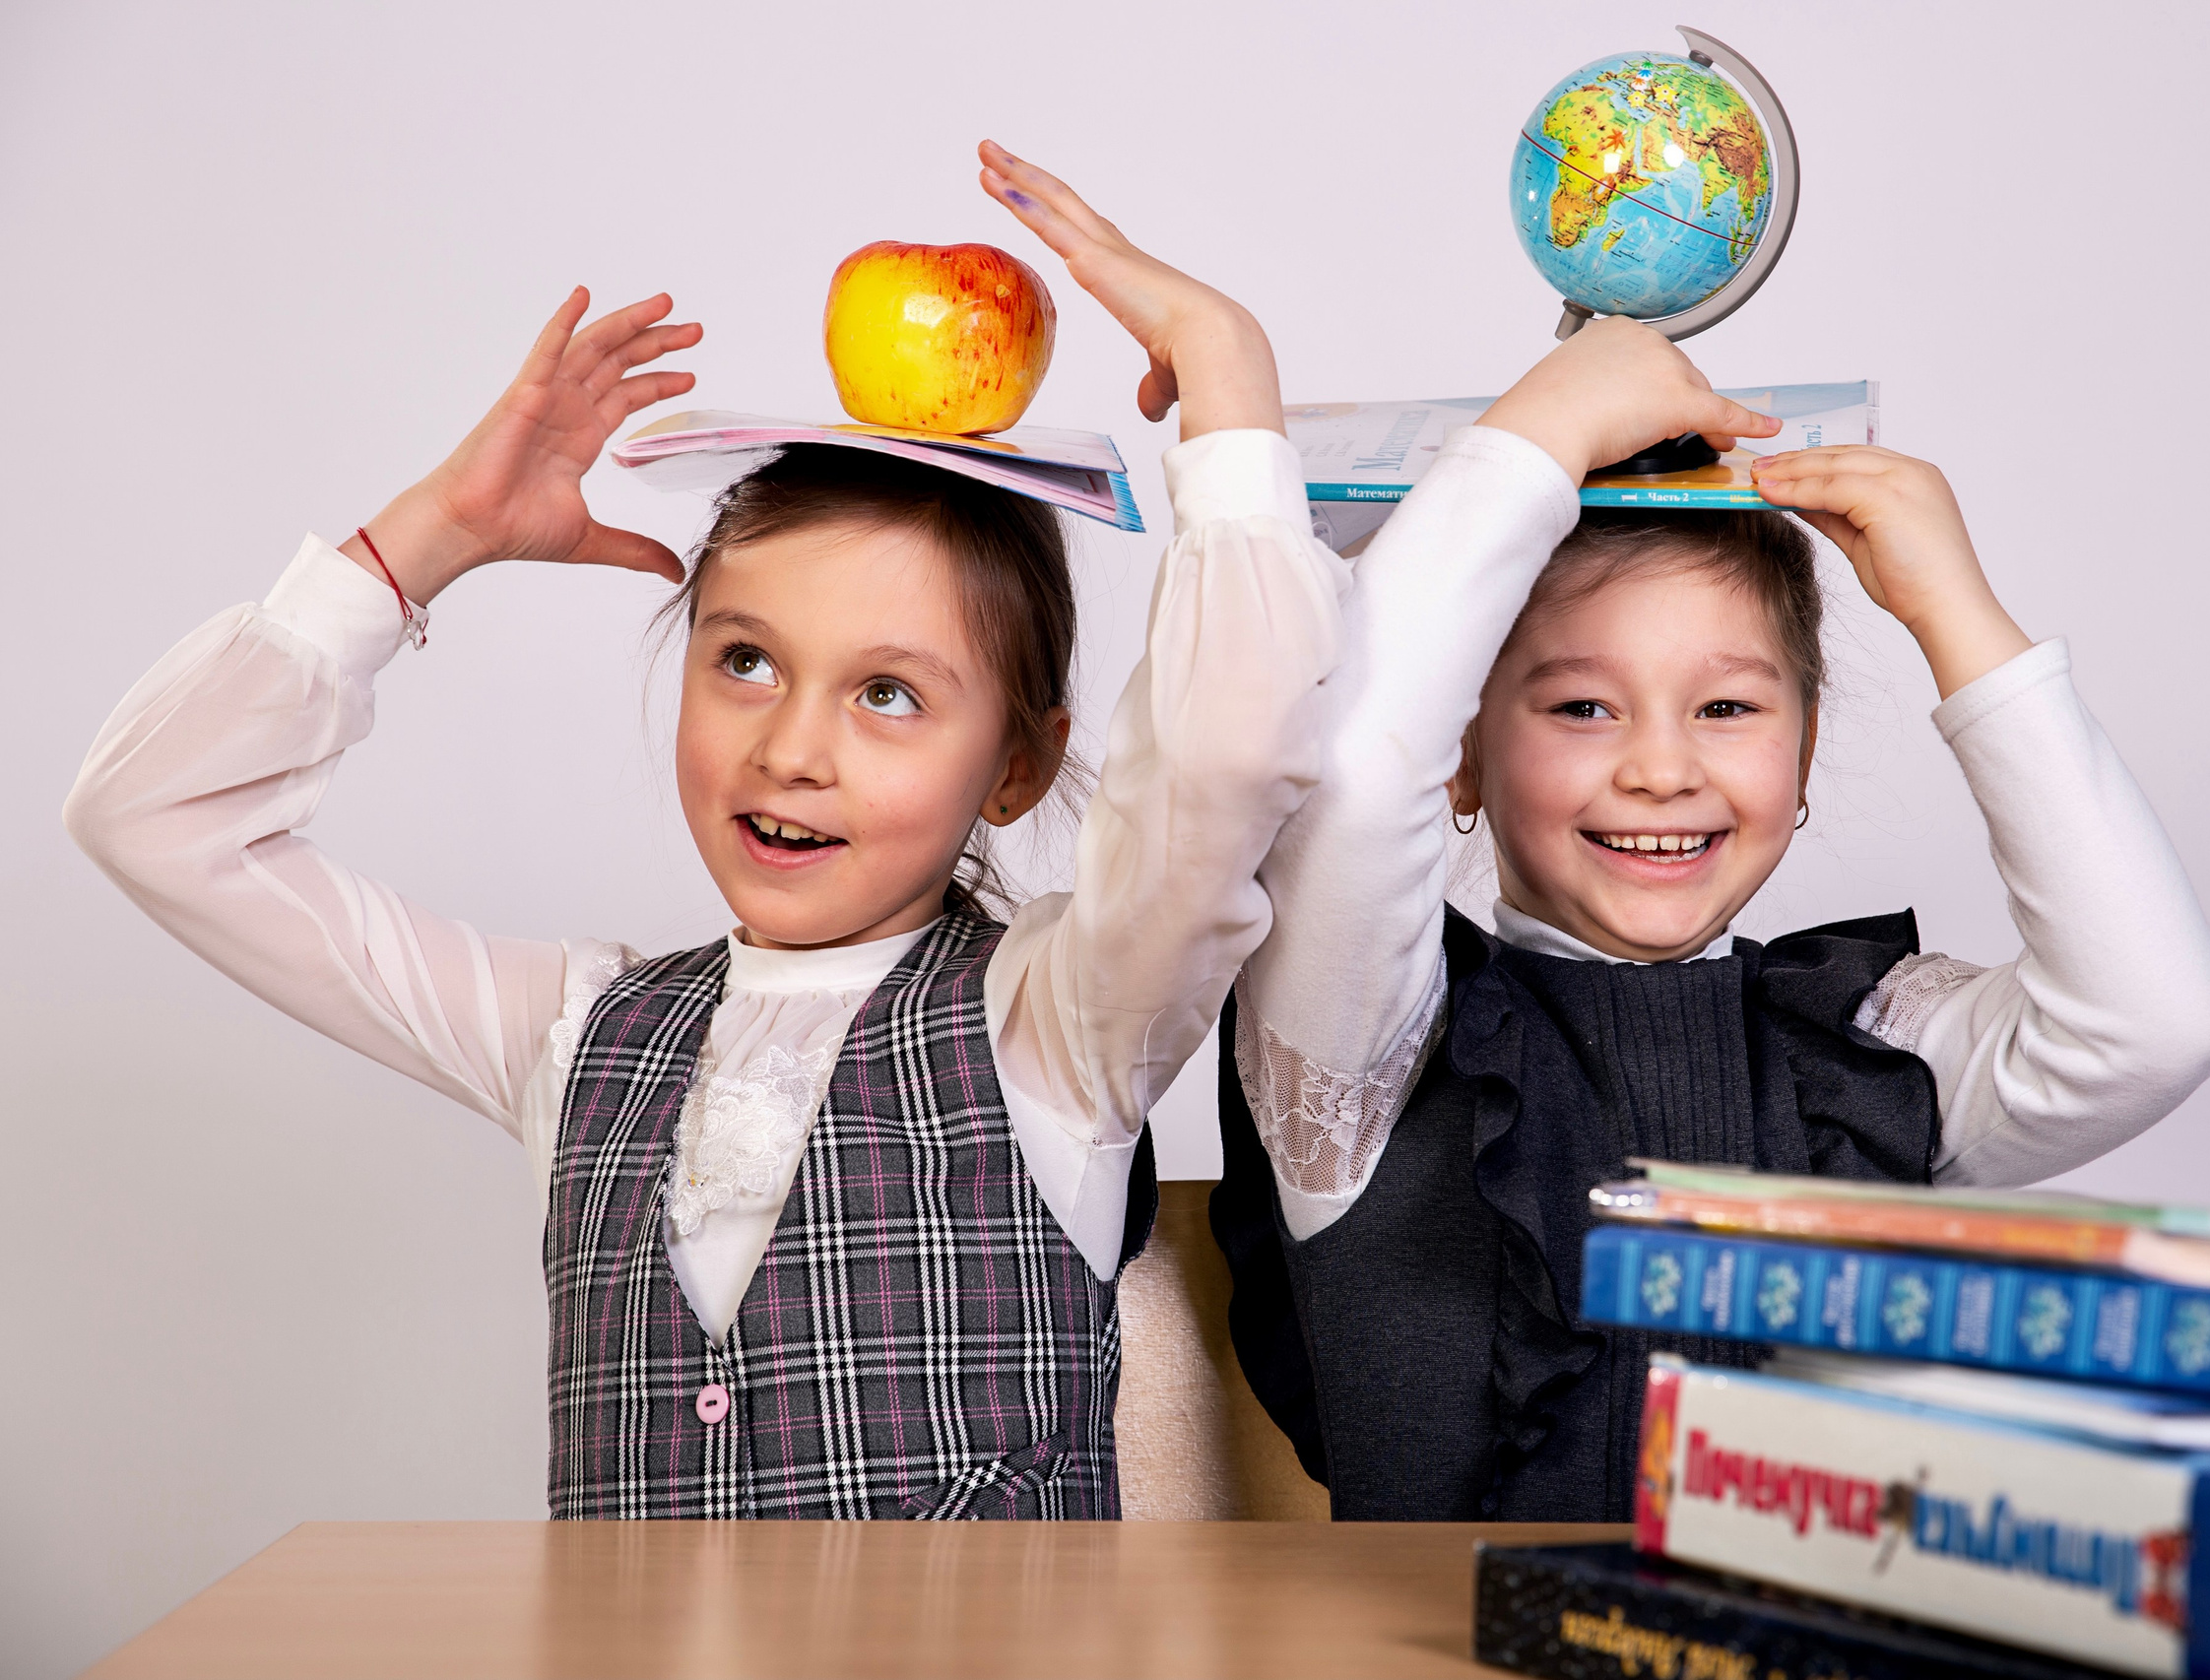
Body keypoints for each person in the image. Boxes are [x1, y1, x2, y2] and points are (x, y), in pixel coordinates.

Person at [65, 143, 1349, 1520]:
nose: (791, 747)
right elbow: (154, 816)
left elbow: (1228, 756)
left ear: (1018, 768)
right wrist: (431, 536)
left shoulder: (1061, 1021)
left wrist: (1224, 368)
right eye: (744, 661)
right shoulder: (573, 1032)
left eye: (889, 693)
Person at [1211, 320, 2210, 1520]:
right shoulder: (1362, 1044)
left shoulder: (1852, 1054)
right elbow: (1348, 775)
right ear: (1460, 756)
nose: (1661, 767)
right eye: (1583, 705)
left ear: (1803, 748)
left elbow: (2155, 1020)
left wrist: (1954, 614)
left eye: (1727, 706)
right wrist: (1539, 434)